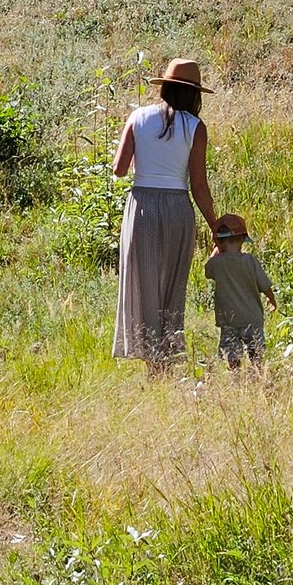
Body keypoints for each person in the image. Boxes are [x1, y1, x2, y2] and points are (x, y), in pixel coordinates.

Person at [111, 57, 218, 367]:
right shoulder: (196, 127)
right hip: (177, 208)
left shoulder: (138, 117)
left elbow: (119, 169)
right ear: (194, 94)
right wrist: (215, 227)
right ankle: (167, 355)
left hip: (142, 205)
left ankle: (148, 356)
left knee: (142, 280)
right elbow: (199, 184)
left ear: (165, 87)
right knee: (172, 283)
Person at [204, 213, 276, 368]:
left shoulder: (217, 264)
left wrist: (216, 250)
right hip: (252, 317)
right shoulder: (250, 261)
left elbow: (207, 271)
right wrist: (271, 299)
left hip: (229, 320)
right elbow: (265, 285)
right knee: (256, 354)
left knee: (232, 355)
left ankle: (236, 378)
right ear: (243, 240)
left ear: (219, 242)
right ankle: (258, 375)